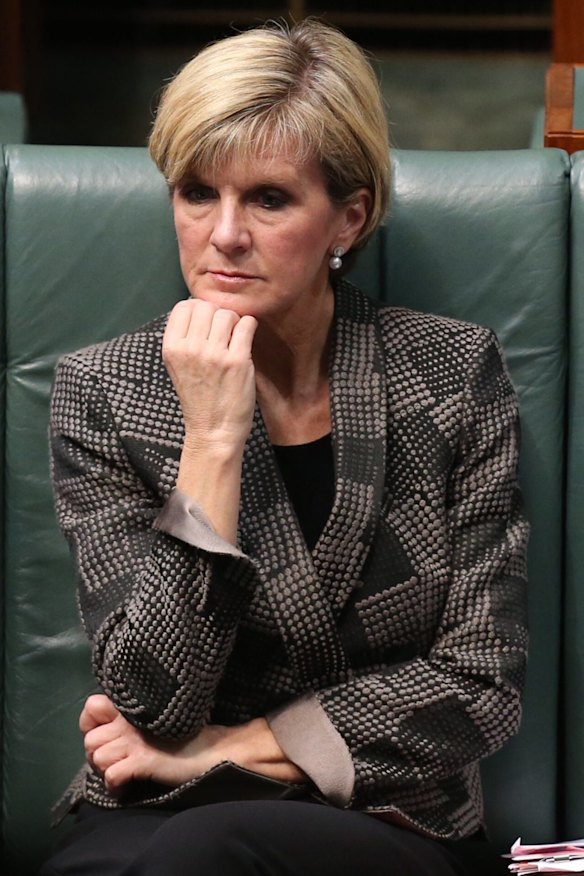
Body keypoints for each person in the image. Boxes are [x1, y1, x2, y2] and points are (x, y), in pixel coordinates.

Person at [40, 17, 528, 876]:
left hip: (388, 811)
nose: (223, 234)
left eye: (268, 199)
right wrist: (213, 441)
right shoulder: (104, 392)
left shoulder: (450, 373)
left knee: (208, 848)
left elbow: (481, 687)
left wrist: (225, 749)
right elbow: (151, 701)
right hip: (160, 801)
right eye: (197, 193)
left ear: (349, 217)